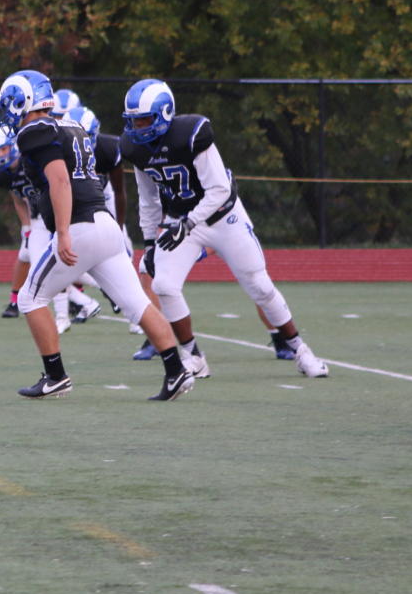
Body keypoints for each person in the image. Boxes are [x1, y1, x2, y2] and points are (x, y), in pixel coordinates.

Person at [0, 70, 194, 402]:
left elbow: (59, 181)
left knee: (30, 298)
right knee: (137, 303)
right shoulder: (71, 126)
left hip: (80, 225)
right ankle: (176, 371)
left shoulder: (34, 130)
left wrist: (61, 233)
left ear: (24, 99)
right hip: (105, 224)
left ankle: (55, 376)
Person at [119, 78, 328, 379]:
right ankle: (193, 357)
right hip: (182, 222)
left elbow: (218, 190)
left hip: (222, 216)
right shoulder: (134, 148)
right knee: (163, 284)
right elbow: (148, 198)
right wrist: (150, 243)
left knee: (260, 285)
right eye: (133, 121)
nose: (137, 127)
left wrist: (188, 222)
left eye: (143, 120)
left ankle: (300, 350)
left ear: (164, 114)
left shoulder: (190, 134)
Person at [0, 124, 72, 332]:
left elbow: (59, 184)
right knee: (36, 261)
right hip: (37, 220)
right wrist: (26, 227)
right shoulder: (2, 175)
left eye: (3, 149)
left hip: (56, 214)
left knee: (52, 264)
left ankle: (78, 304)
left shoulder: (31, 160)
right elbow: (17, 197)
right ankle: (71, 306)